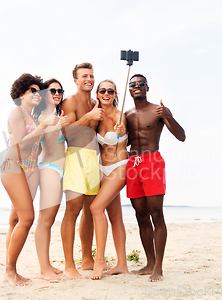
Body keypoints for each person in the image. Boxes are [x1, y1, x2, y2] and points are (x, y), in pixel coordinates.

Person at [123, 74, 185, 282]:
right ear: (129, 89)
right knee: (140, 215)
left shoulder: (157, 111)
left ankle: (158, 266)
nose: (137, 86)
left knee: (156, 213)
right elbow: (122, 142)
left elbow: (181, 136)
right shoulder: (126, 115)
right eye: (133, 84)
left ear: (147, 88)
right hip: (133, 164)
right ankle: (149, 262)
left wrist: (168, 116)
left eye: (141, 84)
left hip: (152, 162)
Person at [0, 74, 59, 286]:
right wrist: (42, 127)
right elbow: (22, 146)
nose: (37, 94)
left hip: (30, 169)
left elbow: (35, 145)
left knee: (15, 221)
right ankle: (10, 271)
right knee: (27, 219)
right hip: (14, 168)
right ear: (21, 93)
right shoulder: (17, 112)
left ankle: (10, 269)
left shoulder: (33, 117)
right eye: (32, 90)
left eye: (39, 91)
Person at [60, 62, 104, 279]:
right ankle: (69, 265)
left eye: (92, 75)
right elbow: (67, 132)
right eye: (84, 76)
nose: (89, 79)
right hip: (75, 156)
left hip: (92, 160)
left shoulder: (96, 103)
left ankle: (87, 258)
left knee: (90, 209)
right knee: (73, 209)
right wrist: (87, 117)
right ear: (76, 80)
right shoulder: (70, 101)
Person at [89, 80, 129, 279]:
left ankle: (100, 261)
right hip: (102, 169)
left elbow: (125, 135)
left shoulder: (120, 114)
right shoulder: (96, 115)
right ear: (97, 93)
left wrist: (122, 132)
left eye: (110, 91)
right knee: (115, 218)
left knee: (96, 208)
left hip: (119, 167)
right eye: (103, 90)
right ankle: (122, 264)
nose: (106, 93)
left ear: (115, 94)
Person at [32, 79, 69, 281]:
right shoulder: (45, 117)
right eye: (52, 90)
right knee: (45, 221)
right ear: (45, 94)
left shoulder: (56, 115)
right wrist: (58, 125)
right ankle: (43, 269)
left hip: (61, 170)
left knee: (50, 219)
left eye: (60, 90)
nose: (57, 93)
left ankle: (47, 265)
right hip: (49, 169)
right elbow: (44, 137)